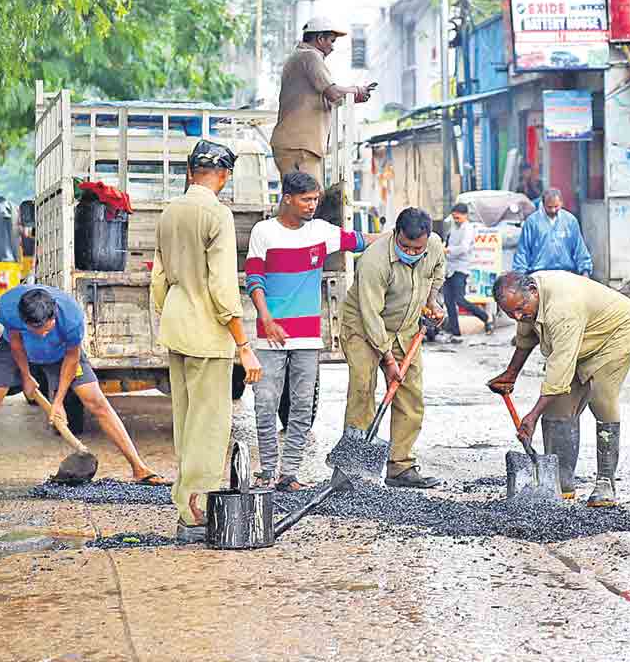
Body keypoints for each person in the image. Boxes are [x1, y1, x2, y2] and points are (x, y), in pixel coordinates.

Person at [0, 285, 168, 494]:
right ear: (24, 321)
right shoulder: (8, 308)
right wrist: (26, 377)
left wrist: (58, 402)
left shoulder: (72, 317)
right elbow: (15, 343)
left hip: (61, 354)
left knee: (96, 401)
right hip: (16, 351)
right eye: (38, 331)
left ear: (54, 312)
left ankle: (139, 468)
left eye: (48, 328)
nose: (45, 334)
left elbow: (72, 358)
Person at [152, 140, 263, 541]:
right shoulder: (217, 214)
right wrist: (243, 345)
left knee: (185, 419)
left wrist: (176, 311)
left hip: (177, 325)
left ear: (189, 173)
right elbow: (222, 287)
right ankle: (195, 511)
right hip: (207, 332)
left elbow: (159, 280)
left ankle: (184, 502)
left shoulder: (170, 212)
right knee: (210, 423)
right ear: (225, 175)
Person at [245, 171, 374, 492]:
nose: (312, 205)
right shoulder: (264, 232)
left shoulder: (321, 231)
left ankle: (289, 474)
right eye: (306, 199)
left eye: (315, 199)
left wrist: (401, 236)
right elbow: (254, 279)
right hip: (270, 335)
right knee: (265, 403)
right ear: (287, 198)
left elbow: (361, 240)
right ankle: (267, 471)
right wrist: (267, 318)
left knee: (302, 407)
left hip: (307, 338)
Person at [487, 271, 630, 507]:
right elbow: (525, 339)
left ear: (533, 291)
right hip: (577, 339)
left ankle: (605, 482)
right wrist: (511, 374)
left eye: (521, 308)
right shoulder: (526, 304)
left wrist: (532, 415)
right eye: (511, 313)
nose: (518, 315)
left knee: (601, 397)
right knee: (558, 406)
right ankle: (560, 482)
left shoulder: (562, 308)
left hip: (613, 334)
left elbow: (559, 367)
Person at [342, 207, 447, 488]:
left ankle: (400, 467)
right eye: (406, 246)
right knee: (363, 390)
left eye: (418, 248)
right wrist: (388, 360)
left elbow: (437, 273)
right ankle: (352, 470)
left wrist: (433, 301)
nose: (412, 253)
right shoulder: (374, 261)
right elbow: (370, 314)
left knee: (410, 394)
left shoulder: (434, 246)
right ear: (396, 234)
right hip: (364, 327)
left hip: (406, 327)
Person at [271, 17, 374, 183]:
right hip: (301, 146)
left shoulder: (297, 57)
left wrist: (353, 93)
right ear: (320, 39)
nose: (333, 48)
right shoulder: (310, 57)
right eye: (331, 41)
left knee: (296, 199)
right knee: (310, 199)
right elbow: (333, 93)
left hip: (290, 144)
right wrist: (356, 91)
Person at [434, 202, 491, 343]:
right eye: (454, 217)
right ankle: (456, 333)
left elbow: (464, 248)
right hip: (449, 268)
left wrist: (448, 250)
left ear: (465, 215)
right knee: (448, 301)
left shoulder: (468, 229)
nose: (455, 219)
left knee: (460, 300)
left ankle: (485, 317)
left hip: (461, 268)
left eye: (457, 217)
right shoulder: (454, 228)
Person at [511, 188, 592, 276]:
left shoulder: (570, 221)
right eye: (549, 207)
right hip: (539, 275)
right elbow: (523, 251)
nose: (553, 210)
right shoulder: (532, 222)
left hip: (565, 274)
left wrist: (585, 270)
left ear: (561, 203)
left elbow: (579, 248)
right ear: (543, 204)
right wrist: (519, 275)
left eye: (556, 206)